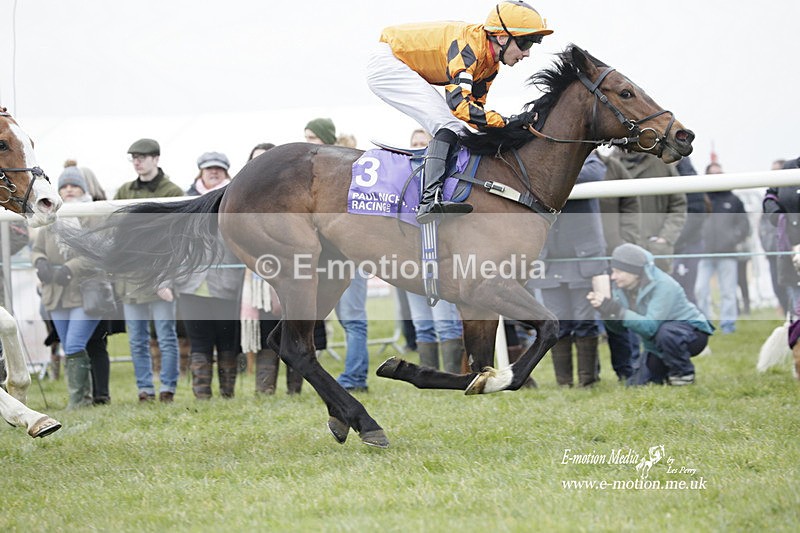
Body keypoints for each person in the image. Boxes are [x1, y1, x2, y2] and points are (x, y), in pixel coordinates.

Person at [367, 1, 553, 223]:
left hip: (398, 60)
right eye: (525, 43)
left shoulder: (490, 65)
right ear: (502, 38)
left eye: (532, 43)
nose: (527, 53)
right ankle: (429, 200)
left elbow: (475, 114)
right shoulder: (469, 48)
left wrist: (508, 125)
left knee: (456, 126)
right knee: (449, 125)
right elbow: (459, 105)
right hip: (388, 62)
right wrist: (507, 121)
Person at [528, 152, 608, 387]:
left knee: (585, 320)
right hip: (549, 256)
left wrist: (553, 175)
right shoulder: (539, 155)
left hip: (583, 254)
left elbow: (595, 172)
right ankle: (564, 382)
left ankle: (588, 382)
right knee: (558, 322)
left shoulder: (588, 156)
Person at [114, 138, 183, 402]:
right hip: (132, 278)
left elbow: (176, 240)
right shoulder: (124, 191)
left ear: (156, 158)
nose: (137, 162)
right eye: (133, 157)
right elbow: (117, 233)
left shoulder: (172, 191)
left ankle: (168, 389)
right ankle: (144, 389)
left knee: (166, 336)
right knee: (137, 339)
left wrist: (167, 279)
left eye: (142, 157)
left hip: (161, 275)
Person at [587, 244, 714, 386]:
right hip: (654, 342)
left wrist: (617, 310)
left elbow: (650, 327)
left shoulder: (664, 285)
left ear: (634, 272)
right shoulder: (621, 287)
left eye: (619, 272)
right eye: (613, 271)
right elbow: (619, 329)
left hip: (691, 334)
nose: (613, 276)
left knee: (666, 332)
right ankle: (667, 371)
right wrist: (607, 312)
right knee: (637, 385)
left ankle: (683, 374)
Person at [305, 121, 371, 392]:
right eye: (306, 136)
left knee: (353, 318)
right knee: (346, 318)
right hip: (329, 256)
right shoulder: (314, 172)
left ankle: (355, 377)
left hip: (349, 254)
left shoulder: (342, 170)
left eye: (313, 137)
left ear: (325, 139)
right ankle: (355, 375)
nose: (308, 141)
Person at [31, 166, 104, 408]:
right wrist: (40, 263)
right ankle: (84, 399)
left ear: (83, 189)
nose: (69, 190)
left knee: (74, 344)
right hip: (56, 293)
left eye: (74, 185)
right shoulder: (50, 215)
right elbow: (37, 249)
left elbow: (97, 252)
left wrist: (69, 268)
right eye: (64, 186)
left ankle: (77, 402)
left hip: (85, 291)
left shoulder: (93, 214)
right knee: (68, 346)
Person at [178, 151, 244, 399]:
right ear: (201, 172)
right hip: (190, 285)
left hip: (228, 284)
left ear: (226, 172)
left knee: (227, 341)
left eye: (218, 168)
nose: (213, 172)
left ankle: (227, 393)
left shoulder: (236, 199)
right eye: (209, 168)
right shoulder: (184, 200)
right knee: (199, 342)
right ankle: (202, 394)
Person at [596, 148, 640, 382]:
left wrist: (626, 240)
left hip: (613, 254)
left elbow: (631, 201)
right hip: (577, 255)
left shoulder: (613, 167)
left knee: (620, 311)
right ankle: (588, 376)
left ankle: (629, 369)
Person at [694, 163, 750, 334]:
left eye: (719, 173)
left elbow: (745, 225)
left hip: (728, 253)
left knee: (728, 292)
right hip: (704, 253)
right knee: (700, 290)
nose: (717, 177)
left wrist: (732, 238)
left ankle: (728, 326)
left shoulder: (734, 200)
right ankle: (705, 325)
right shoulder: (701, 199)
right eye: (713, 174)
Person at [616, 151, 687, 274]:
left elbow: (678, 205)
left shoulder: (662, 164)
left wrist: (665, 238)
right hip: (621, 250)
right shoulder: (610, 165)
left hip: (655, 250)